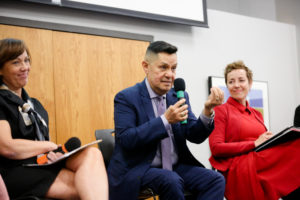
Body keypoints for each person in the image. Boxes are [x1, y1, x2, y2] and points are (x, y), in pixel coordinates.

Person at [108, 41, 225, 200]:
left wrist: (207, 110)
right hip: (140, 168)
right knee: (171, 181)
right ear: (146, 66)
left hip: (175, 167)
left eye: (173, 68)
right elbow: (126, 139)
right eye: (163, 67)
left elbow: (194, 135)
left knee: (215, 180)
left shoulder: (177, 95)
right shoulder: (126, 97)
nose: (170, 74)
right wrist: (164, 120)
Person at [0, 38, 108, 200]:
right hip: (14, 171)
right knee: (86, 186)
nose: (25, 67)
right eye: (16, 63)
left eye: (27, 60)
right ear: (1, 69)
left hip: (41, 165)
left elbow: (43, 149)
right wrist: (46, 146)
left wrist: (53, 154)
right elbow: (7, 147)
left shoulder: (35, 106)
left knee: (92, 154)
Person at [209, 61, 300, 200]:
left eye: (241, 80)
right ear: (227, 85)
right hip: (239, 167)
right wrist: (254, 144)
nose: (236, 85)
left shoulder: (257, 114)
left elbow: (260, 143)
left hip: (259, 160)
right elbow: (216, 148)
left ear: (250, 83)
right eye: (231, 81)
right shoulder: (220, 111)